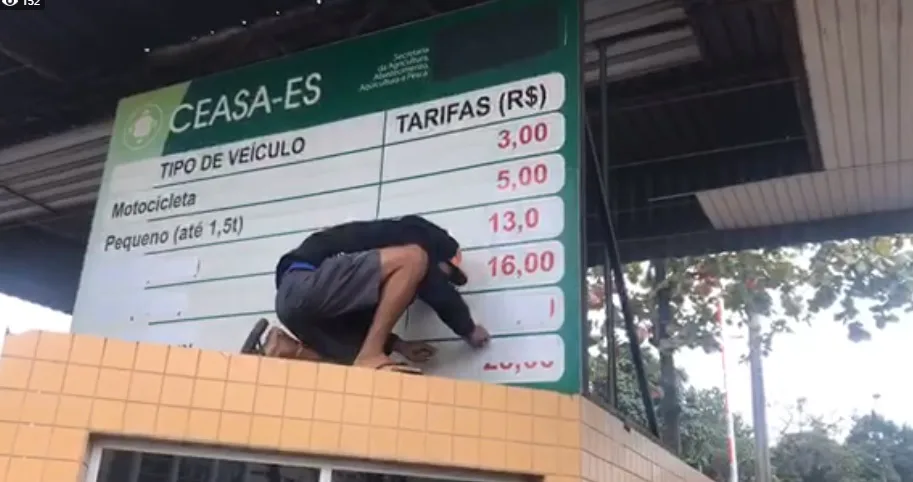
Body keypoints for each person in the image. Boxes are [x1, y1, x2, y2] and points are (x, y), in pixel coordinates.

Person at [274, 215, 490, 373]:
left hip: (299, 307)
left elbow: (354, 319)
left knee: (352, 366)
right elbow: (436, 287)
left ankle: (283, 349)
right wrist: (468, 329)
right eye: (447, 273)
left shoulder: (367, 261)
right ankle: (371, 353)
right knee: (415, 259)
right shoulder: (416, 235)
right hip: (304, 280)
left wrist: (399, 346)